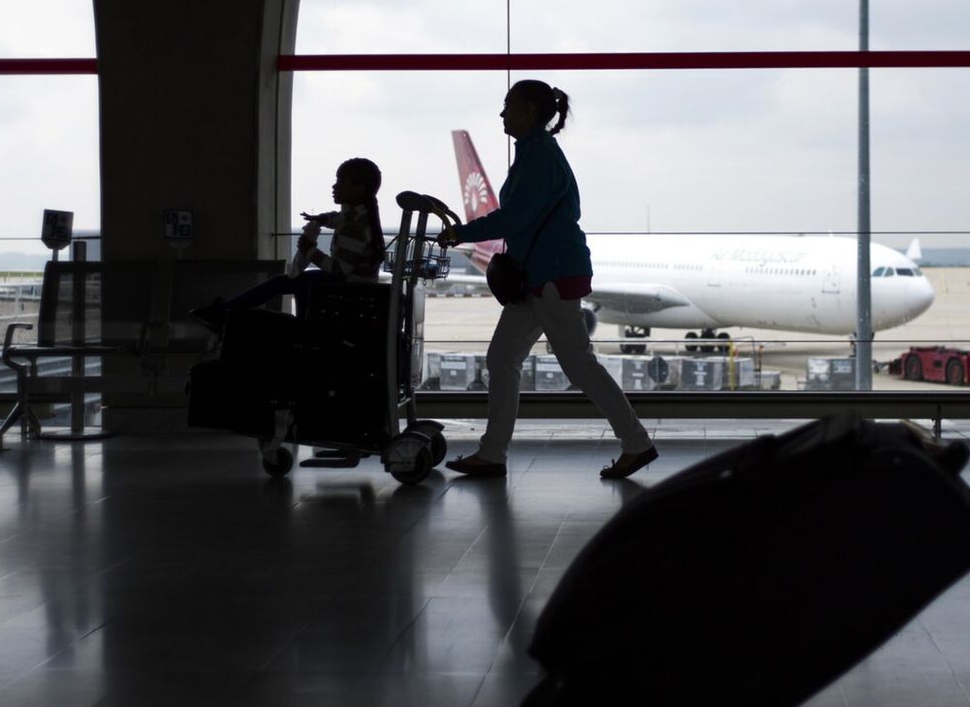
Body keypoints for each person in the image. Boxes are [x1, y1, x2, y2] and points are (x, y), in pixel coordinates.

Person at [436, 80, 658, 480]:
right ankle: (492, 453)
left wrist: (460, 234)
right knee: (504, 359)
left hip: (550, 277)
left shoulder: (538, 156)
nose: (501, 113)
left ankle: (637, 443)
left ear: (531, 112)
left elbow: (514, 218)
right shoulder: (534, 153)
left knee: (577, 365)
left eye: (508, 105)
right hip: (538, 278)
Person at [192, 157, 386, 330]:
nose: (334, 187)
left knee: (284, 283)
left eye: (341, 182)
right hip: (353, 288)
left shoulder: (355, 227)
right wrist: (320, 219)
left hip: (347, 290)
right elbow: (336, 218)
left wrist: (309, 250)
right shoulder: (358, 217)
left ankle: (225, 313)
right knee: (296, 283)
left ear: (359, 188)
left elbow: (339, 270)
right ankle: (227, 312)